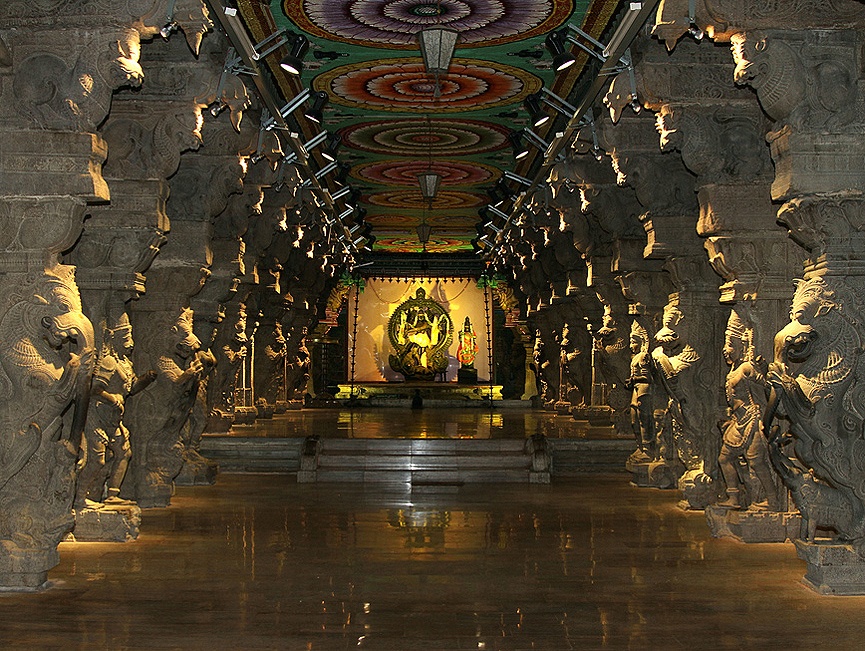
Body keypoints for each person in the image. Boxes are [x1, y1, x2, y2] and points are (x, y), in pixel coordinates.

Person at [76, 315, 156, 508]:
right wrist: (112, 399)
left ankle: (113, 493)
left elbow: (131, 388)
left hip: (114, 418)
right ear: (115, 339)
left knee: (124, 452)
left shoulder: (125, 363)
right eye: (126, 337)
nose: (130, 342)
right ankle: (79, 498)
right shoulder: (109, 362)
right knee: (97, 460)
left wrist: (147, 378)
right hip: (97, 416)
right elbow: (94, 389)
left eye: (130, 337)